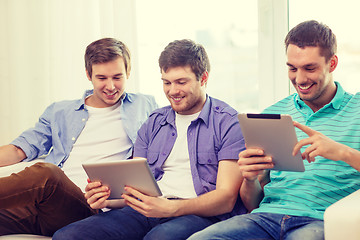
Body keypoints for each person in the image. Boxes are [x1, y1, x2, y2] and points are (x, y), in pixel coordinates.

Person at [52, 39, 247, 240]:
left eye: (181, 82)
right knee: (67, 236)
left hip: (198, 214)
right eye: (166, 82)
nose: (172, 91)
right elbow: (134, 190)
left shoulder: (228, 122)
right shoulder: (154, 122)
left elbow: (226, 199)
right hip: (147, 209)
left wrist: (171, 208)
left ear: (203, 78)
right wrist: (106, 199)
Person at [188, 20, 360, 240]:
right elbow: (252, 202)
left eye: (310, 68)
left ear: (332, 63)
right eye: (292, 68)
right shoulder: (273, 113)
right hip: (266, 217)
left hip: (320, 220)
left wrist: (342, 152)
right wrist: (249, 179)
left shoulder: (356, 109)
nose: (299, 79)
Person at [0, 37, 158, 236]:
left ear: (128, 73)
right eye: (102, 78)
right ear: (88, 74)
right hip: (46, 205)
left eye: (117, 77)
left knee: (47, 175)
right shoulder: (60, 111)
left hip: (91, 207)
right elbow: (19, 149)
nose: (110, 86)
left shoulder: (146, 106)